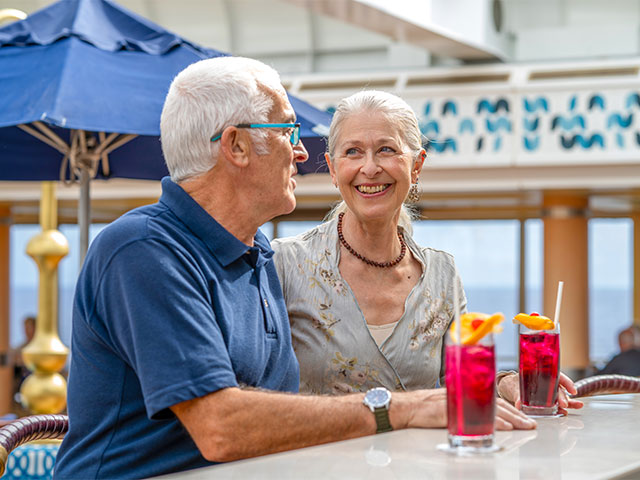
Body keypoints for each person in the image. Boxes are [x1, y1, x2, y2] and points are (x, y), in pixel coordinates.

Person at [53, 59, 535, 480]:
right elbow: (221, 426)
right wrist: (399, 408)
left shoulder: (256, 255)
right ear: (237, 147)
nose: (302, 153)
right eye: (287, 131)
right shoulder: (143, 250)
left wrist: (497, 383)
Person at [272, 90, 582, 413]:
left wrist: (506, 383)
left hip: (420, 463)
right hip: (319, 463)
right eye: (353, 152)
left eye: (386, 149)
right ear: (333, 170)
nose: (370, 167)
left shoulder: (442, 274)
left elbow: (463, 382)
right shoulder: (286, 264)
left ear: (416, 165)